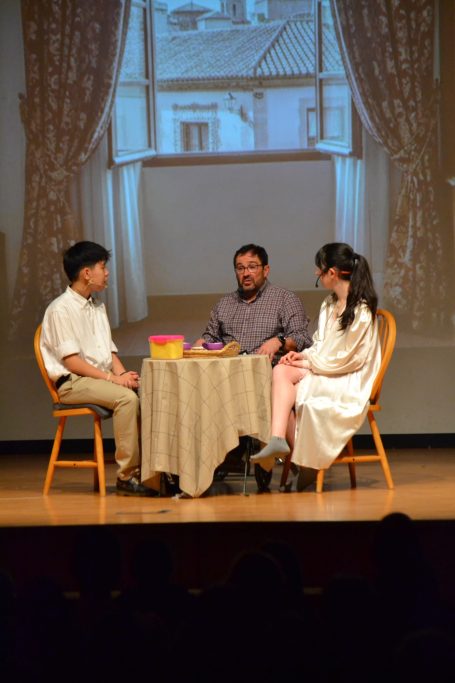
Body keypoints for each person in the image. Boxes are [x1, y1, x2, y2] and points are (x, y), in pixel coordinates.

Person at [251, 242, 381, 490]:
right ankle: (278, 439)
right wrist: (300, 356)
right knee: (280, 370)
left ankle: (305, 463)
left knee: (289, 394)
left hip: (347, 376)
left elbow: (348, 359)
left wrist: (308, 361)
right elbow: (321, 344)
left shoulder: (361, 311)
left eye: (319, 269)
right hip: (327, 368)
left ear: (332, 273)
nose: (315, 273)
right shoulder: (330, 304)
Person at [40, 241, 158, 496]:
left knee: (146, 391)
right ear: (86, 273)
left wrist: (123, 375)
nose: (106, 273)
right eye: (102, 267)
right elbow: (72, 362)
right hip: (72, 383)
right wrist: (113, 380)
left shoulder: (97, 306)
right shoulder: (61, 309)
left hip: (97, 380)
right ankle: (127, 476)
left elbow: (109, 352)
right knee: (126, 399)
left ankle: (155, 471)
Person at [195, 243, 312, 363]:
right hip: (229, 369)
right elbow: (210, 337)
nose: (246, 274)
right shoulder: (224, 304)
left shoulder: (285, 299)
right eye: (240, 268)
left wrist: (279, 341)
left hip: (269, 370)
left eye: (252, 267)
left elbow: (302, 338)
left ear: (265, 270)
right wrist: (198, 346)